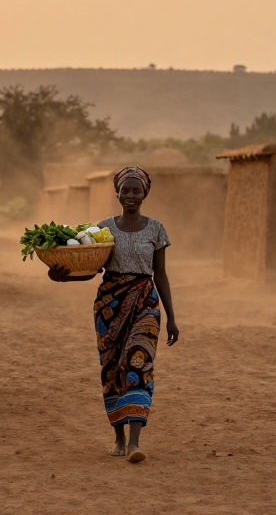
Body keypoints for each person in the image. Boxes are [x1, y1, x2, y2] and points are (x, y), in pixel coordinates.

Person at [47, 166, 178, 464]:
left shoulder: (156, 229)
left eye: (136, 190)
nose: (130, 195)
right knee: (112, 368)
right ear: (117, 192)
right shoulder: (104, 229)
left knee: (138, 362)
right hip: (110, 305)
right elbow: (92, 270)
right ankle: (118, 438)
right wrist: (62, 277)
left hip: (146, 302)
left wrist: (172, 317)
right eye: (125, 190)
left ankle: (134, 443)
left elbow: (161, 274)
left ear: (145, 193)